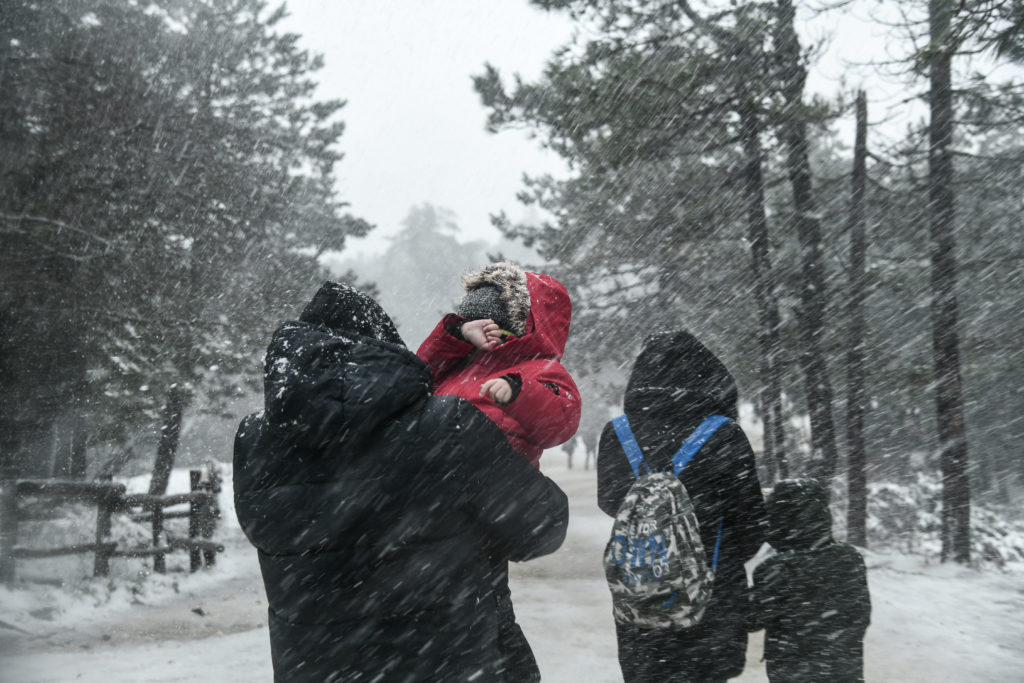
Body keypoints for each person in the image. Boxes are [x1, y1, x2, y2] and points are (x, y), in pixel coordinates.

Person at [233, 281, 569, 682]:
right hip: (452, 665)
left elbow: (274, 533)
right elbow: (542, 528)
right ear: (386, 348)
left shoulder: (254, 441)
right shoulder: (448, 426)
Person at [597, 330, 768, 683]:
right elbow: (750, 524)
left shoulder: (618, 432)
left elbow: (611, 502)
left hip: (641, 594)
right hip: (711, 597)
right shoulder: (724, 434)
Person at [416, 261, 581, 467]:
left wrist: (518, 390)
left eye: (496, 329)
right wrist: (460, 333)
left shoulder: (541, 369)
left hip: (496, 483)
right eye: (473, 323)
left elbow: (562, 422)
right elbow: (418, 376)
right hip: (434, 477)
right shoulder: (457, 363)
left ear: (515, 329)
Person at [750, 478, 871, 682]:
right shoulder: (849, 558)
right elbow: (860, 616)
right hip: (845, 670)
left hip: (794, 674)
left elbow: (751, 618)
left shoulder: (778, 569)